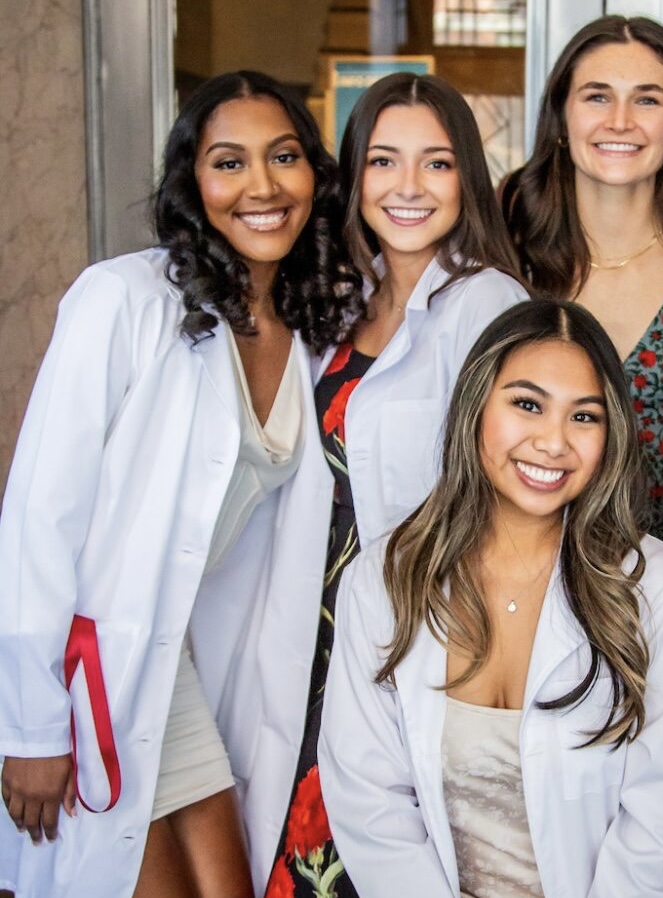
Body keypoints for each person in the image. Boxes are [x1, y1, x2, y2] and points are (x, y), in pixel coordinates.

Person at [0, 71, 361, 898]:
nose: (262, 187)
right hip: (88, 678)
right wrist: (30, 727)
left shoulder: (307, 325)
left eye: (284, 158)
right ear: (192, 184)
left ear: (314, 176)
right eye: (229, 163)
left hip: (179, 677)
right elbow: (37, 518)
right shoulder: (123, 300)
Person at [318, 301, 663, 897]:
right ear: (476, 406)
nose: (553, 442)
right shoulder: (385, 579)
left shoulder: (656, 588)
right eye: (527, 405)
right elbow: (369, 803)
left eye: (584, 416)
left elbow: (661, 813)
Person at [263, 73, 527, 898]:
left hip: (414, 624)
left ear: (467, 178)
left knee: (377, 852)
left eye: (436, 163)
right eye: (383, 161)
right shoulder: (340, 297)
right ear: (355, 175)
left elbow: (506, 493)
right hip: (312, 626)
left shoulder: (488, 302)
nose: (408, 186)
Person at [503, 15, 663, 556]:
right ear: (561, 119)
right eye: (597, 97)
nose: (620, 121)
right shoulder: (509, 268)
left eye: (647, 99)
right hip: (534, 579)